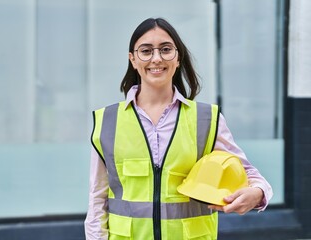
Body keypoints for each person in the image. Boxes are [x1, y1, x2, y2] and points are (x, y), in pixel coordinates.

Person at [84, 17, 273, 240]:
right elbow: (98, 198)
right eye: (146, 51)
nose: (156, 58)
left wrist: (258, 192)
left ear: (177, 58)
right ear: (133, 60)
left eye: (166, 49)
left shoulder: (206, 119)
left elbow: (249, 174)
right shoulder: (108, 121)